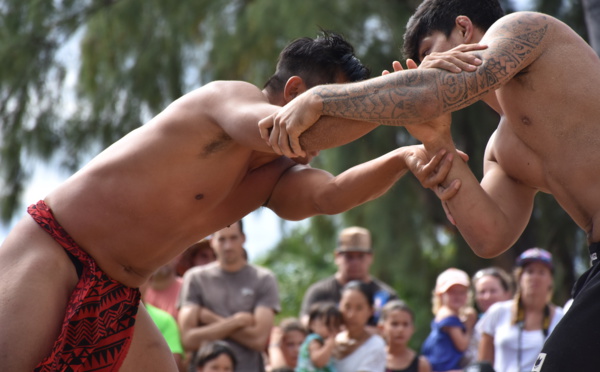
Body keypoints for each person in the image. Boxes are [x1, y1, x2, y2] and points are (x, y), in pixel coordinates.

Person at [0, 31, 465, 371]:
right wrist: (403, 98)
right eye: (335, 106)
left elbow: (332, 194)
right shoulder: (228, 101)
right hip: (56, 251)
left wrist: (403, 156)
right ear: (297, 93)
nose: (324, 146)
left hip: (119, 294)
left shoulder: (273, 177)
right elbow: (283, 128)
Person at [258, 1, 600, 369]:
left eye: (426, 53)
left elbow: (428, 93)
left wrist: (319, 96)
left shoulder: (525, 28)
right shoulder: (503, 148)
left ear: (464, 28)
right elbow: (490, 236)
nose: (424, 68)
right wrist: (437, 141)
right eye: (420, 65)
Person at [178, 221, 279, 372]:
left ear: (243, 238)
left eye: (233, 238)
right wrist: (237, 321)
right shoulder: (195, 278)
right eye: (222, 239)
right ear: (212, 241)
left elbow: (258, 340)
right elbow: (188, 339)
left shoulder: (263, 279)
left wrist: (210, 318)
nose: (228, 246)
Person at [477, 248, 564, 372]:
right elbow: (483, 363)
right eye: (529, 271)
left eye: (542, 272)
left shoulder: (561, 318)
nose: (535, 277)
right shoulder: (498, 311)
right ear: (519, 277)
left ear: (550, 280)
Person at [300, 226, 398, 327]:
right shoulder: (320, 292)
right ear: (337, 256)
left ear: (371, 257)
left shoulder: (386, 295)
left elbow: (398, 326)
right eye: (349, 256)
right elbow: (305, 322)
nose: (355, 262)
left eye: (361, 256)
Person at [421, 268, 477, 372]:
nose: (457, 296)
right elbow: (462, 345)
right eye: (452, 292)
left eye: (462, 292)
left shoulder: (445, 314)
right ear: (440, 295)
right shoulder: (448, 315)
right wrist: (469, 325)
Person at [463, 267, 513, 365]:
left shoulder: (518, 323)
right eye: (482, 292)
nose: (487, 296)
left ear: (507, 294)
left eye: (493, 291)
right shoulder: (472, 322)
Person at [334, 280, 387, 372]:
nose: (351, 315)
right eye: (347, 307)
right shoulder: (332, 340)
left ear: (371, 311)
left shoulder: (374, 345)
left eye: (359, 308)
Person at [378, 300, 431, 372]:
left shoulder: (421, 364)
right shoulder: (374, 358)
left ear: (413, 329)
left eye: (405, 324)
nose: (400, 329)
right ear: (382, 328)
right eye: (394, 324)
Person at [296, 302, 342, 372]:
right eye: (327, 325)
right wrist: (329, 346)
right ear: (312, 324)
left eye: (335, 326)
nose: (332, 329)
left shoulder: (325, 342)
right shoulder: (314, 340)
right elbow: (318, 361)